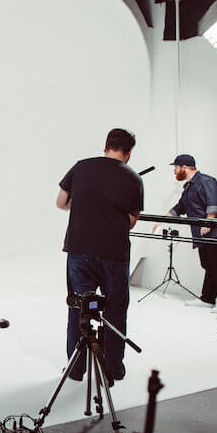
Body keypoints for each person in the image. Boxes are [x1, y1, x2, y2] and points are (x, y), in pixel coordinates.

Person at [56, 129, 143, 384]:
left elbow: (61, 202)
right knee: (115, 310)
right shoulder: (134, 178)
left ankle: (75, 368)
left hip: (80, 250)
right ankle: (113, 368)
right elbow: (131, 221)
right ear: (128, 153)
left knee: (79, 308)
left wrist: (84, 203)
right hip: (114, 254)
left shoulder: (81, 167)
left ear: (106, 145)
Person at [156, 154, 217, 313]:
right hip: (204, 233)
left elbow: (213, 201)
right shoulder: (189, 187)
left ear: (184, 167)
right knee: (208, 263)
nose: (174, 171)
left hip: (216, 231)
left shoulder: (206, 181)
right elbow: (181, 206)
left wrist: (209, 221)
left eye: (176, 168)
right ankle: (208, 298)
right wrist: (163, 219)